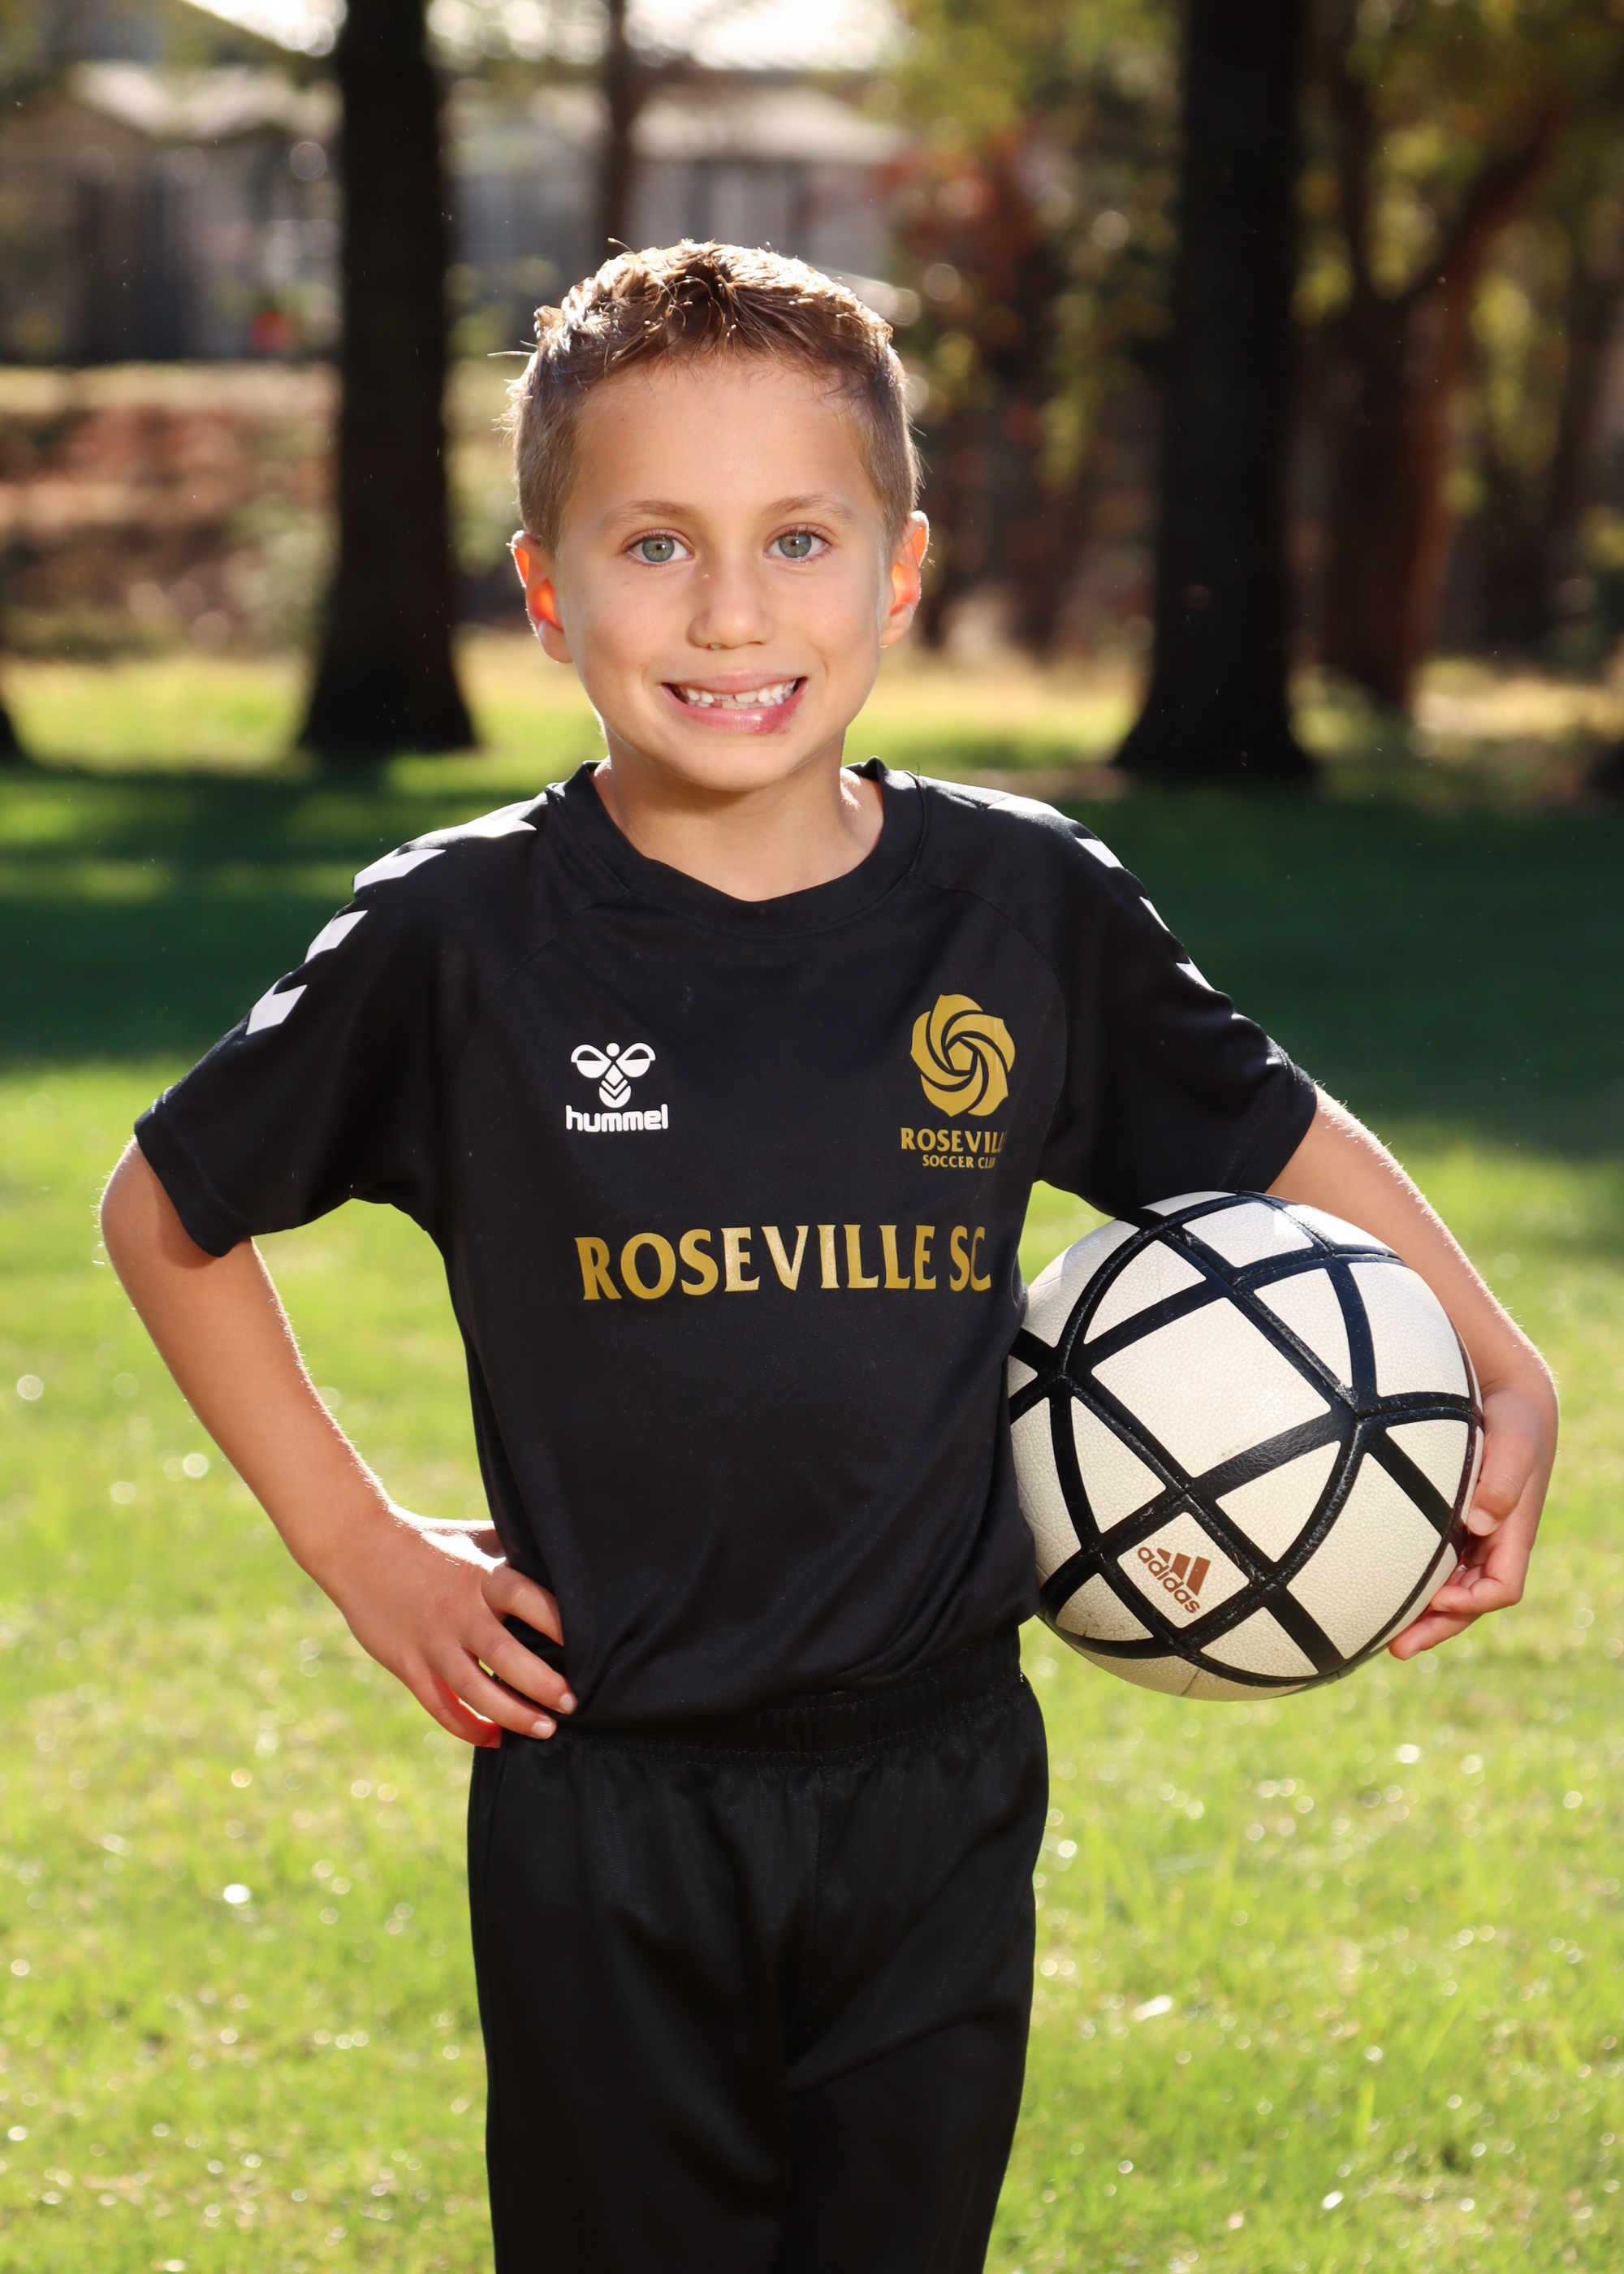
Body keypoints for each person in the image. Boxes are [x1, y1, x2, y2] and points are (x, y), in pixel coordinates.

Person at [100, 241, 1557, 2274]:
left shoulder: (1021, 910)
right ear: (545, 590)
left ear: (897, 572)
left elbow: (1267, 1128)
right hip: (610, 1793)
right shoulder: (463, 940)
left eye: (799, 538)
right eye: (654, 544)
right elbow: (164, 1209)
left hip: (935, 1785)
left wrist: (1496, 1358)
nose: (730, 611)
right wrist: (362, 1548)